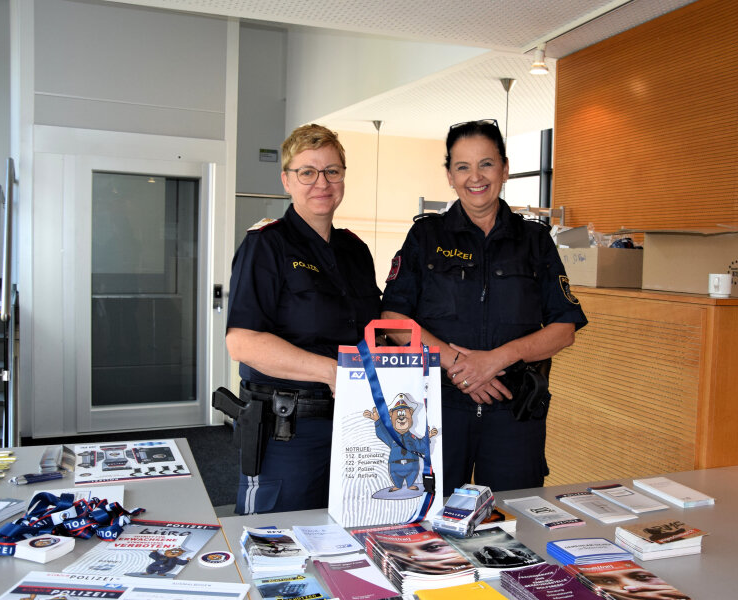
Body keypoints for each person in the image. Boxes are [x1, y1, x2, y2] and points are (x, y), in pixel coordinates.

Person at [381, 119, 587, 496]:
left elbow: (564, 329)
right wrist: (461, 366)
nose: (475, 177)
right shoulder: (425, 237)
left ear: (504, 169)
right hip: (437, 410)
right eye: (463, 167)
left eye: (486, 164)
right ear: (450, 175)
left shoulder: (535, 240)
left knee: (514, 516)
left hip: (514, 413)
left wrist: (495, 361)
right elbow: (393, 319)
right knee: (430, 515)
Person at [225, 123, 381, 514]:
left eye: (332, 171)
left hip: (355, 424)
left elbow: (371, 333)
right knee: (276, 536)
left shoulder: (356, 251)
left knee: (350, 527)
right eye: (307, 172)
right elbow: (242, 343)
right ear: (287, 180)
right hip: (288, 431)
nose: (321, 183)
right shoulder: (265, 245)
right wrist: (333, 372)